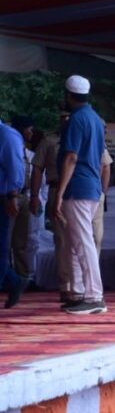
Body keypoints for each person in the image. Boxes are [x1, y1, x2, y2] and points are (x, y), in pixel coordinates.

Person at [30, 111, 112, 304]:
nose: (66, 119)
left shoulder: (89, 134)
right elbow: (37, 168)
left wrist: (102, 193)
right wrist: (36, 195)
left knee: (88, 240)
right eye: (63, 116)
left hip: (82, 191)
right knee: (67, 241)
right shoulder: (51, 142)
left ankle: (90, 293)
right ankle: (72, 288)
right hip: (62, 189)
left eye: (70, 116)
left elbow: (104, 165)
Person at [53, 75, 107, 315]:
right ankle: (79, 293)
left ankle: (94, 296)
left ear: (68, 95)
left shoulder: (76, 119)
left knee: (83, 243)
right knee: (78, 242)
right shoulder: (95, 118)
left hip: (78, 188)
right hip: (91, 186)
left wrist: (59, 193)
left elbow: (72, 157)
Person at [1, 116, 27, 308]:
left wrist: (13, 196)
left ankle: (14, 280)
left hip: (2, 197)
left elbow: (16, 169)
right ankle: (14, 280)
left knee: (0, 247)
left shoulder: (6, 135)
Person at [9, 116, 36, 284]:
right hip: (9, 195)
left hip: (24, 195)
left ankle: (22, 278)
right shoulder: (9, 145)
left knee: (21, 241)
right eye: (29, 129)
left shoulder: (26, 150)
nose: (32, 132)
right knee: (5, 240)